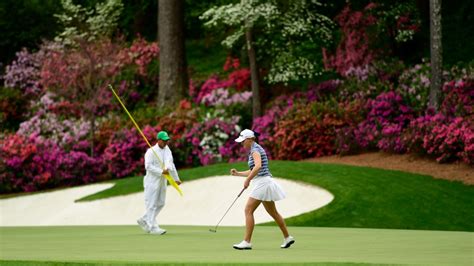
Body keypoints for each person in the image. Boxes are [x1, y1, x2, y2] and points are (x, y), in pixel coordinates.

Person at [230, 129, 295, 250]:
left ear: (249, 139)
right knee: (273, 213)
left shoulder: (255, 150)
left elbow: (258, 167)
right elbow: (253, 169)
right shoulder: (255, 149)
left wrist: (248, 180)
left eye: (243, 141)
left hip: (262, 183)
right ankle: (287, 237)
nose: (242, 143)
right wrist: (238, 174)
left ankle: (247, 242)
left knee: (248, 210)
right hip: (264, 182)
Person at [137, 130, 182, 235]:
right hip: (152, 181)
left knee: (161, 203)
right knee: (151, 204)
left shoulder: (168, 150)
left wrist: (176, 178)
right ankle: (153, 227)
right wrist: (161, 171)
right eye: (164, 140)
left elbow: (171, 164)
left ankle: (144, 219)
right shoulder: (150, 151)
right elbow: (148, 166)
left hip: (163, 180)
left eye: (167, 140)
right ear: (159, 140)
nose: (166, 142)